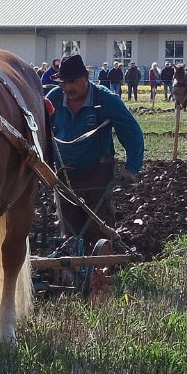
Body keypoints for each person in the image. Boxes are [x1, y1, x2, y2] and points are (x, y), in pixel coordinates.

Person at [46, 53, 144, 252]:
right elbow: (37, 129)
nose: (68, 88)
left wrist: (131, 167)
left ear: (85, 78)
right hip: (63, 175)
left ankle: (102, 272)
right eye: (64, 83)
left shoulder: (105, 99)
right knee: (69, 231)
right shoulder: (54, 99)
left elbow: (131, 131)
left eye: (72, 82)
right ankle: (73, 271)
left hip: (97, 174)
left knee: (99, 226)